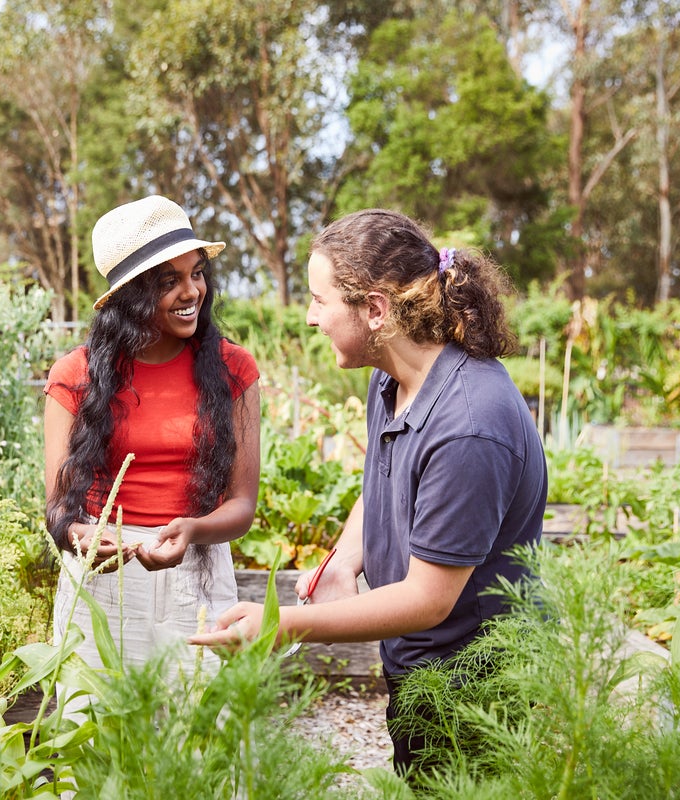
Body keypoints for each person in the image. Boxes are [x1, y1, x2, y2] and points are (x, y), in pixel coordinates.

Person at [190, 209, 547, 778]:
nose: (310, 318)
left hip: (477, 687)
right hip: (418, 662)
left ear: (375, 309)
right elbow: (382, 475)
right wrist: (346, 559)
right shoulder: (394, 379)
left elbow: (430, 598)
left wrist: (278, 625)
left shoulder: (470, 426)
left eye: (319, 299)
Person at [44, 194, 261, 688]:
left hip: (197, 576)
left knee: (200, 744)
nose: (193, 291)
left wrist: (191, 530)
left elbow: (242, 506)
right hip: (99, 584)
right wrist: (85, 537)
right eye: (170, 281)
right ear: (130, 296)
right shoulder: (75, 376)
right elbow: (58, 511)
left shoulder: (234, 369)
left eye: (198, 273)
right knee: (94, 744)